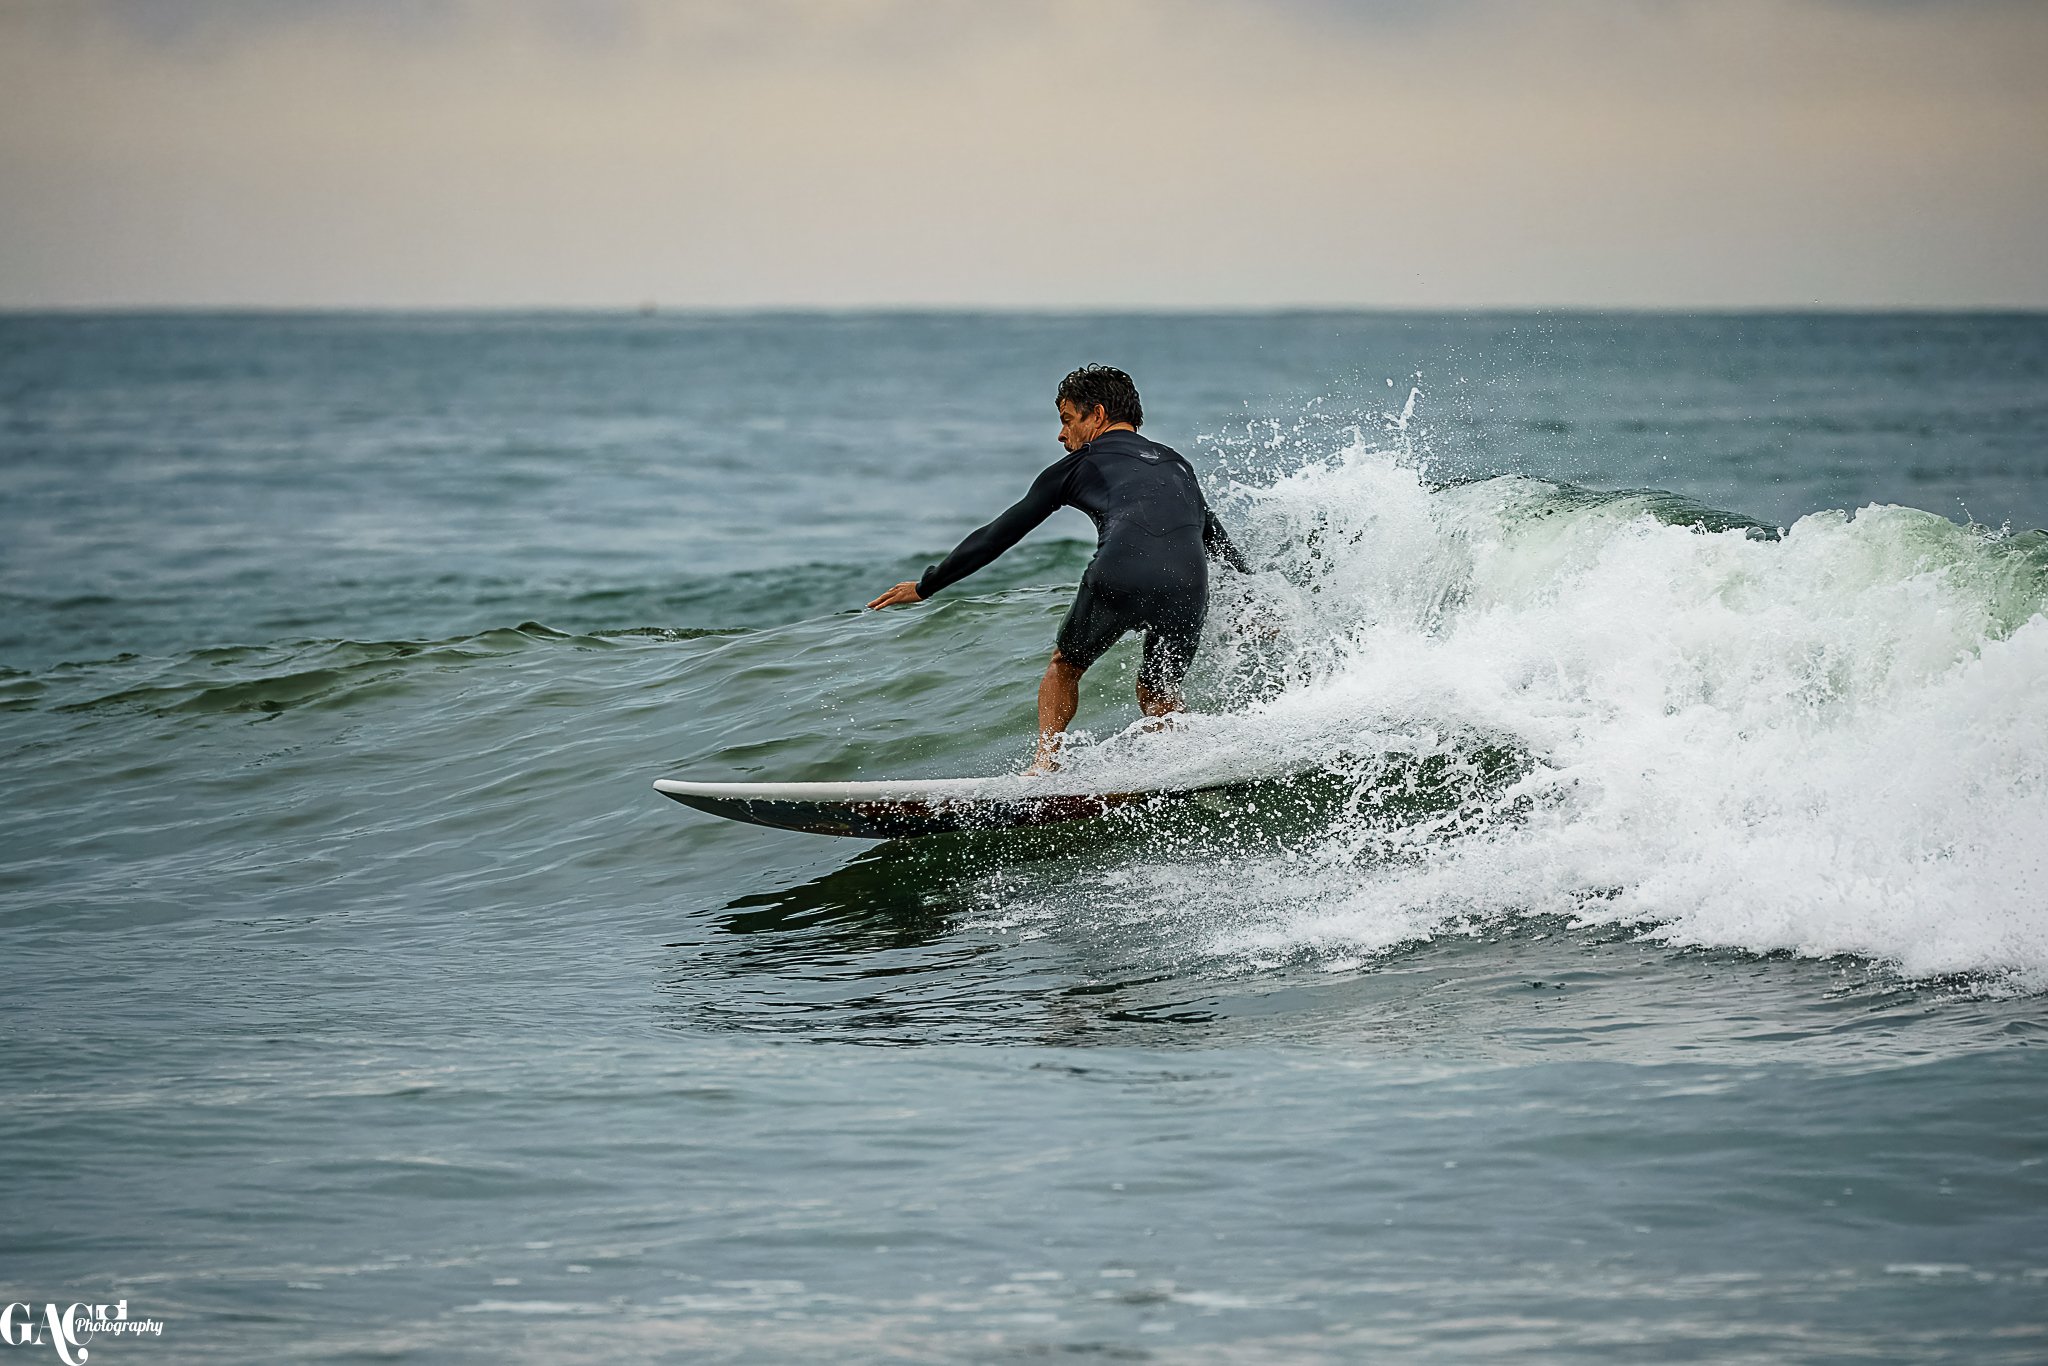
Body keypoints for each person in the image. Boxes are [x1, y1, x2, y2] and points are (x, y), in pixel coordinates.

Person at [868, 365, 1249, 774]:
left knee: (1065, 666)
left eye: (1068, 420)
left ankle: (1044, 765)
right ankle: (1178, 767)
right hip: (1189, 585)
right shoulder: (1176, 463)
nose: (1062, 435)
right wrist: (1252, 596)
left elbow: (998, 535)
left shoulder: (1081, 465)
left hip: (1121, 573)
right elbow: (1216, 540)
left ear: (1097, 415)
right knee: (1158, 688)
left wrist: (927, 586)